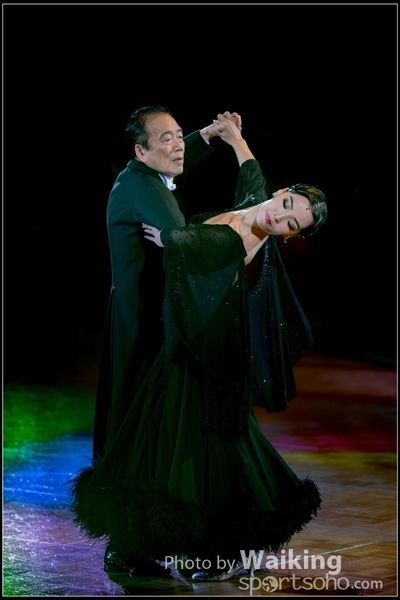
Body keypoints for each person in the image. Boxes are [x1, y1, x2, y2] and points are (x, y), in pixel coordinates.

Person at [69, 114, 327, 582]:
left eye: (291, 222)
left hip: (199, 347)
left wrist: (173, 238)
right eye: (286, 203)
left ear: (290, 235)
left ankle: (203, 549)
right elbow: (252, 178)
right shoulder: (253, 204)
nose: (280, 215)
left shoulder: (248, 229)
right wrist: (232, 138)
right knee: (167, 448)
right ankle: (149, 544)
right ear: (281, 191)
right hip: (173, 337)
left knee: (190, 454)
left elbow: (202, 242)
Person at [89, 105, 241, 577]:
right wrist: (243, 234)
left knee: (149, 435)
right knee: (152, 435)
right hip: (147, 333)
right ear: (140, 151)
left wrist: (206, 135)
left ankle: (134, 545)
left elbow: (176, 158)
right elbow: (186, 242)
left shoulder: (142, 176)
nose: (178, 145)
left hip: (148, 324)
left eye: (179, 135)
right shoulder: (143, 190)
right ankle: (151, 547)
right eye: (167, 138)